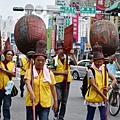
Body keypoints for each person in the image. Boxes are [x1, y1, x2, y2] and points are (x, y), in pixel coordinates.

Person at [24, 40, 58, 120]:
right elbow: (27, 83)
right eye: (38, 60)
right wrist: (32, 94)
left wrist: (55, 102)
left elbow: (53, 88)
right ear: (34, 61)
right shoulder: (30, 71)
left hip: (45, 103)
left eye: (42, 60)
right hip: (32, 102)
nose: (40, 62)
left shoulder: (49, 73)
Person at [85, 43, 116, 120]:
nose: (99, 63)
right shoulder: (91, 70)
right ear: (94, 61)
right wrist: (103, 96)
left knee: (104, 117)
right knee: (90, 117)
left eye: (100, 61)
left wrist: (109, 87)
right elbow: (93, 85)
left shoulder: (105, 69)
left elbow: (114, 79)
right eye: (97, 61)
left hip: (103, 98)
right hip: (94, 98)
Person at [52, 40, 77, 120]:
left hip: (66, 82)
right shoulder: (54, 60)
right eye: (59, 49)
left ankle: (61, 116)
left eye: (62, 49)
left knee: (64, 101)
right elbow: (52, 71)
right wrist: (62, 73)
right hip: (57, 82)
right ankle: (56, 113)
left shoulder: (68, 59)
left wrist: (73, 54)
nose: (60, 51)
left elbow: (76, 63)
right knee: (58, 99)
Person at [0, 47, 16, 120]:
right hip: (0, 88)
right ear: (4, 55)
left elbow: (13, 74)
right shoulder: (0, 62)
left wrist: (3, 70)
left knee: (6, 106)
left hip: (8, 89)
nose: (9, 56)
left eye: (11, 55)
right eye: (8, 54)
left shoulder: (13, 64)